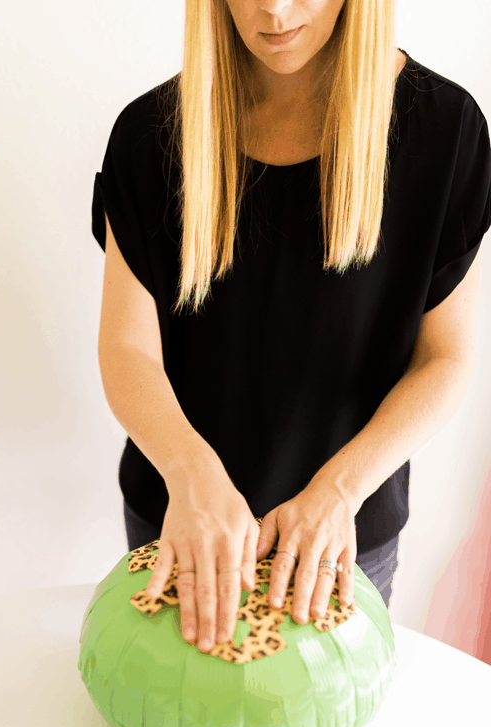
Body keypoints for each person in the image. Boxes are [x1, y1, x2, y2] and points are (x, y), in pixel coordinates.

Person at [93, 0, 491, 654]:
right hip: (185, 523)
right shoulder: (147, 135)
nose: (272, 10)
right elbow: (126, 348)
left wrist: (339, 490)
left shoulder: (446, 131)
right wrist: (194, 477)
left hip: (343, 535)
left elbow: (446, 359)